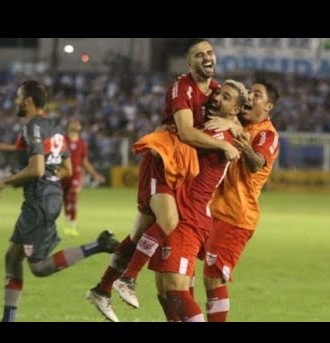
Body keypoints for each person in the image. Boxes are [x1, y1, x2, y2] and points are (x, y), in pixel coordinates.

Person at [86, 38, 239, 322]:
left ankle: (102, 289)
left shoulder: (217, 92)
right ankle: (128, 279)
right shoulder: (182, 87)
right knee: (169, 222)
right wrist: (223, 145)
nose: (206, 58)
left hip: (182, 166)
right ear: (189, 63)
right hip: (164, 160)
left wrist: (231, 123)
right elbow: (186, 132)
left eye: (210, 52)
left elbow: (234, 117)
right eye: (198, 55)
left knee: (139, 233)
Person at [115, 80, 247, 321]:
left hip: (189, 216)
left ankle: (126, 277)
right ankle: (123, 278)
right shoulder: (214, 126)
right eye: (219, 94)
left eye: (226, 98)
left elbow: (185, 135)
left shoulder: (217, 133)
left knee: (175, 289)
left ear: (236, 110)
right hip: (182, 209)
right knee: (166, 291)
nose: (217, 98)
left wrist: (164, 134)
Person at [0, 80, 119, 322]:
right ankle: (8, 318)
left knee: (38, 267)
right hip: (48, 197)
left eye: (19, 97)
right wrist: (47, 178)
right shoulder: (56, 128)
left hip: (39, 202)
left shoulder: (32, 127)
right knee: (12, 255)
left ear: (29, 101)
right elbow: (68, 169)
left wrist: (7, 181)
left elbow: (38, 169)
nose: (16, 102)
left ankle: (98, 245)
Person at [202, 80, 280, 321]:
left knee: (213, 277)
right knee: (182, 268)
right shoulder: (237, 124)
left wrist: (244, 145)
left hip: (236, 216)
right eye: (249, 92)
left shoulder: (267, 134)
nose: (249, 96)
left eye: (257, 95)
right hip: (212, 210)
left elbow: (257, 164)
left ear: (268, 107)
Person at [61, 119, 105, 237]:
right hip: (63, 174)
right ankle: (68, 222)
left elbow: (85, 162)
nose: (76, 124)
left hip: (76, 174)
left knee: (74, 196)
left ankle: (73, 225)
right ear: (69, 126)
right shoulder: (62, 141)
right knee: (65, 200)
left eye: (78, 123)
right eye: (74, 122)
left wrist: (95, 174)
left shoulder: (82, 144)